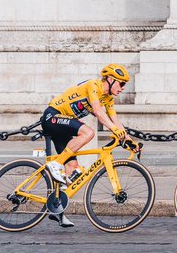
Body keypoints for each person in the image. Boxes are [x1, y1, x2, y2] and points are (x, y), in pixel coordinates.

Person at [40, 64, 131, 209]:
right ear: (110, 79)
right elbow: (98, 112)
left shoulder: (108, 98)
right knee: (88, 132)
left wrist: (129, 140)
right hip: (52, 116)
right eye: (122, 83)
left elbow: (115, 121)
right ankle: (55, 164)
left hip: (63, 127)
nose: (123, 88)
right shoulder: (93, 85)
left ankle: (57, 207)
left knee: (73, 171)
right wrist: (113, 129)